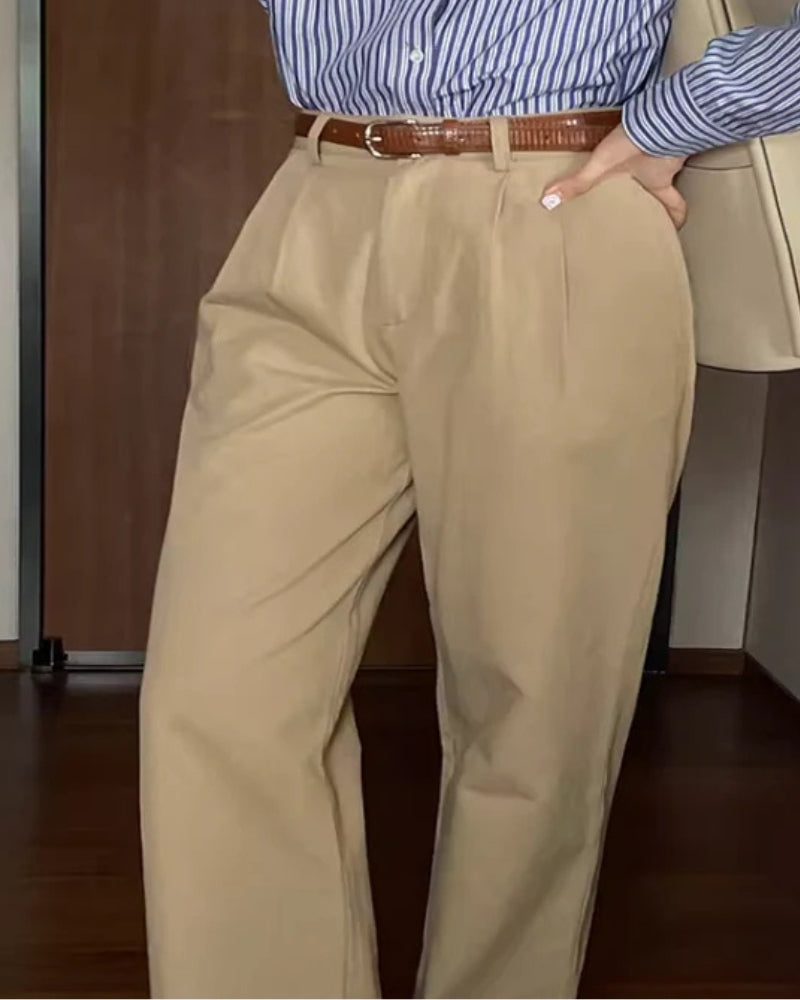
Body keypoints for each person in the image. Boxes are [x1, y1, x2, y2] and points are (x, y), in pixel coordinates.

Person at [140, 2, 800, 997]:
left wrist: (689, 112)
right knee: (216, 692)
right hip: (317, 193)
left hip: (553, 196)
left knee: (533, 710)